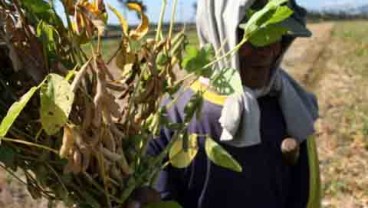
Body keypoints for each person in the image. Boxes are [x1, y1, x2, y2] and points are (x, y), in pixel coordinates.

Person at [140, 0, 321, 207]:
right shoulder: (173, 117)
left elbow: (307, 196)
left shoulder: (291, 106)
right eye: (255, 37)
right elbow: (159, 197)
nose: (268, 51)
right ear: (217, 32)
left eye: (277, 34)